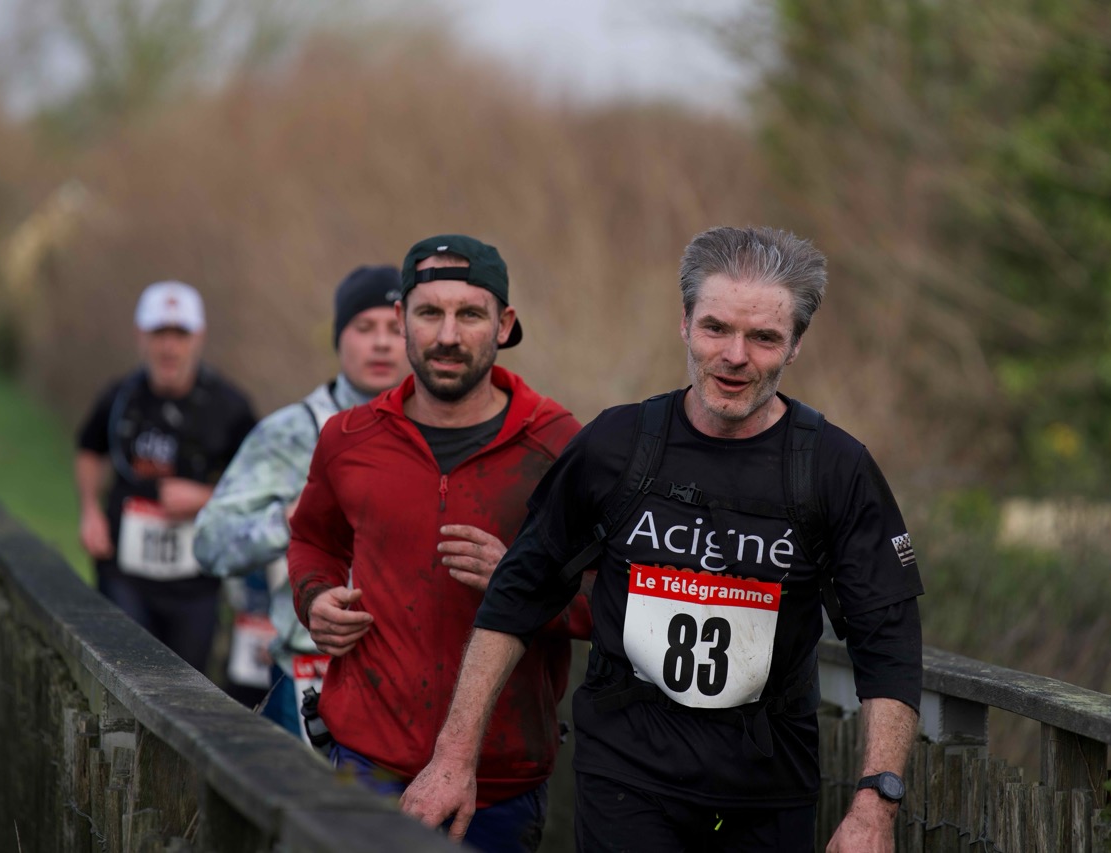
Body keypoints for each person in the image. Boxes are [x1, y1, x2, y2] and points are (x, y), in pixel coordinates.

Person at [400, 226, 925, 853]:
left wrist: (876, 803)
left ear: (796, 346)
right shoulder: (615, 446)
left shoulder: (836, 470)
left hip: (768, 783)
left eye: (763, 338)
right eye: (715, 328)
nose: (734, 356)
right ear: (684, 323)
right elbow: (518, 596)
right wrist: (453, 758)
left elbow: (888, 640)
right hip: (626, 774)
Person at [287, 235, 590, 852]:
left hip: (500, 784)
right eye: (429, 313)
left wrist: (524, 581)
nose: (447, 336)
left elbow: (613, 595)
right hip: (363, 764)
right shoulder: (347, 438)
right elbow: (312, 540)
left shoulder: (559, 445)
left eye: (470, 314)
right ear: (402, 320)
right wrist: (314, 598)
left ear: (504, 323)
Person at [193, 265, 408, 736]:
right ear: (338, 337)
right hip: (312, 676)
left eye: (395, 328)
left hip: (408, 678)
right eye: (364, 327)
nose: (381, 343)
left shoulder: (438, 432)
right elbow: (209, 542)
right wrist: (288, 522)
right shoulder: (291, 433)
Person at [75, 280, 257, 675]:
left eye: (180, 334)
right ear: (140, 336)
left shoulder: (230, 407)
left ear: (199, 337)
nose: (169, 347)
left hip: (196, 582)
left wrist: (205, 497)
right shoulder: (121, 398)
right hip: (124, 573)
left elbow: (259, 483)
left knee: (185, 686)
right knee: (124, 675)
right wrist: (89, 511)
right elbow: (89, 449)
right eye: (159, 334)